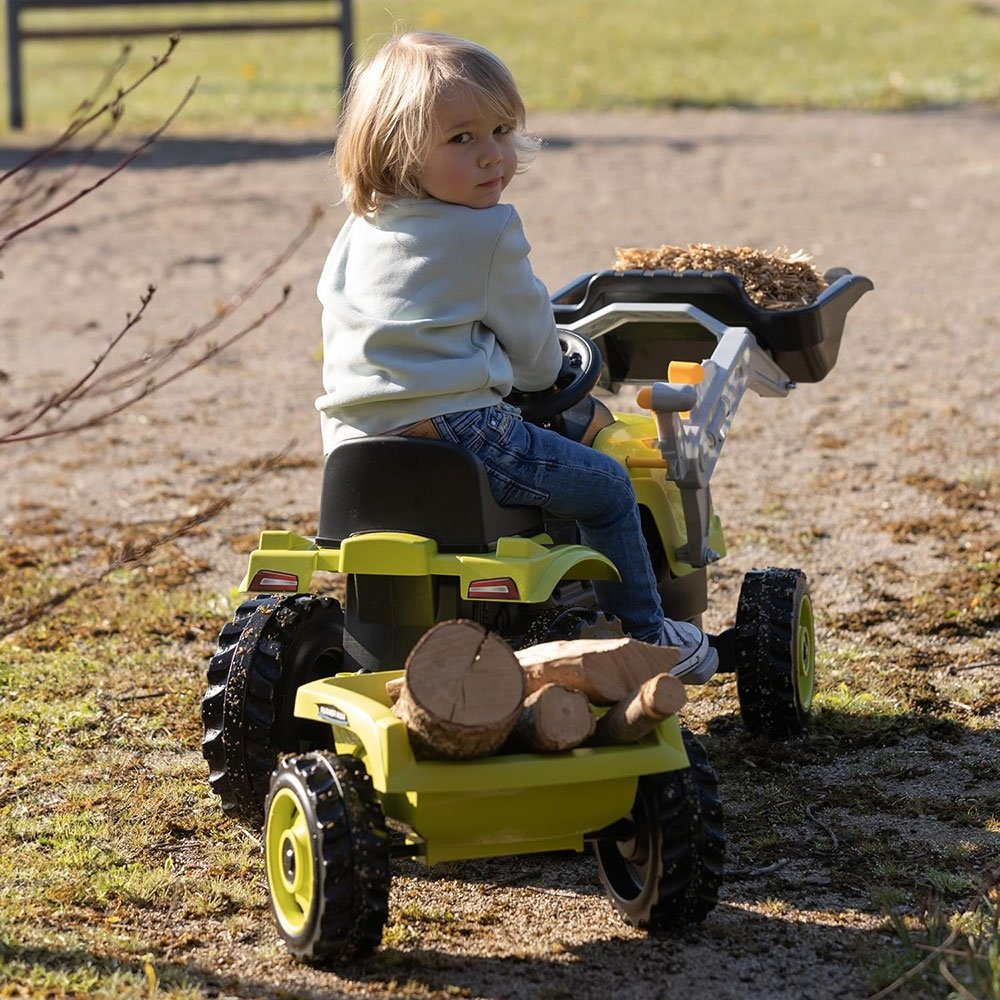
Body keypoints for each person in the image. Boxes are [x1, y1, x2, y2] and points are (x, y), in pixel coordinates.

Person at [314, 31, 718, 682]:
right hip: (463, 430)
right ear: (396, 149)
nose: (492, 157)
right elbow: (533, 354)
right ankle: (649, 637)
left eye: (502, 130)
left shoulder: (362, 229)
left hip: (356, 443)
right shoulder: (488, 230)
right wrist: (551, 372)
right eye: (461, 139)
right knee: (608, 487)